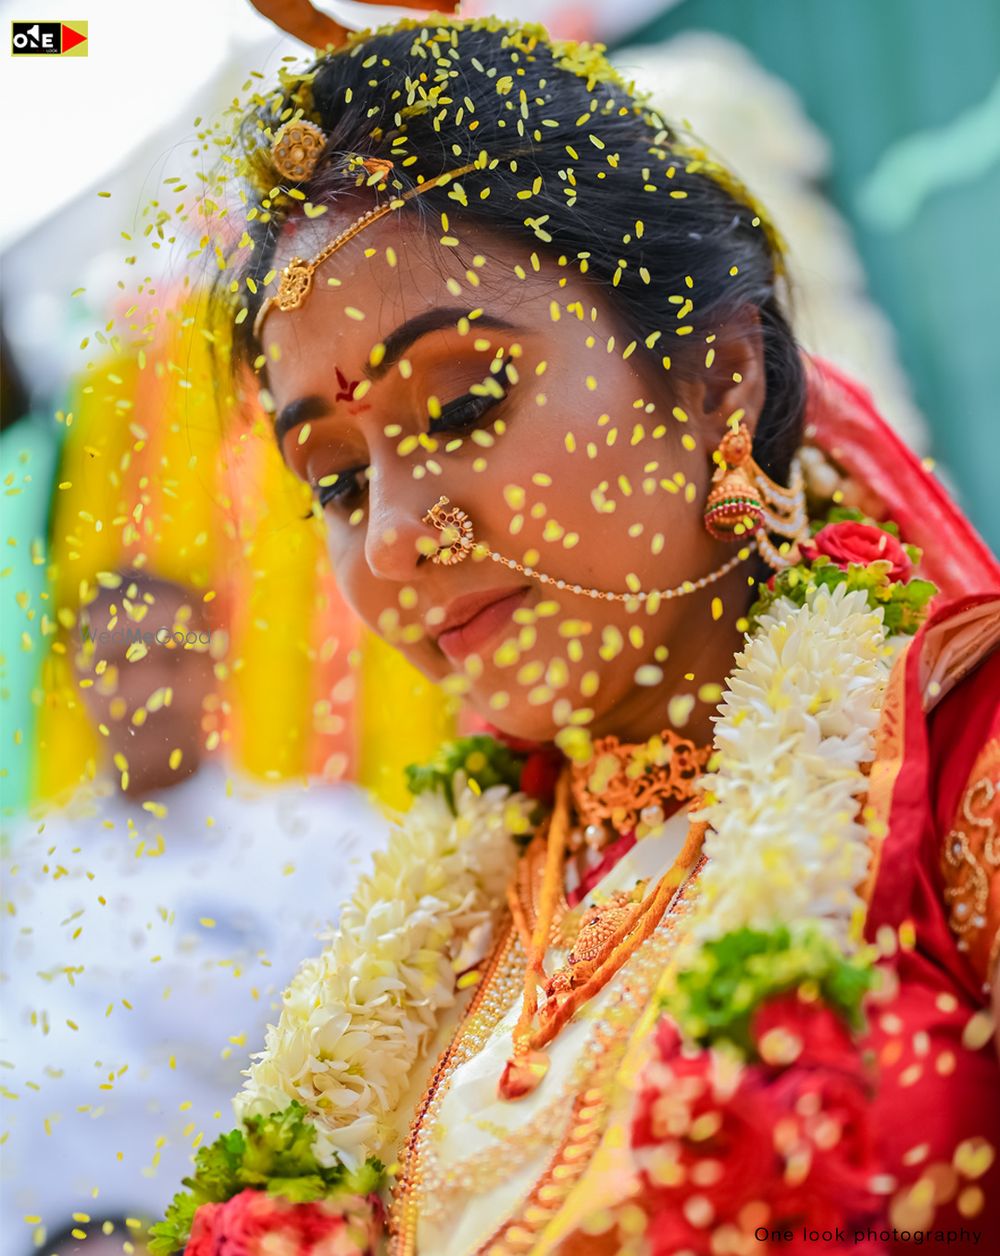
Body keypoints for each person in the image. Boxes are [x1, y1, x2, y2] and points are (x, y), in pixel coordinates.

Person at [32, 9, 1000, 1256]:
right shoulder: (440, 935)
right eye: (336, 479)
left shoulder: (961, 762)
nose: (391, 536)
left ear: (717, 375)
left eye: (463, 402)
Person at [0, 572, 387, 1256]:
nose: (146, 689)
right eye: (116, 662)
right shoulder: (22, 864)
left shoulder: (323, 841)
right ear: (76, 682)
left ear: (215, 670)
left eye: (171, 658)